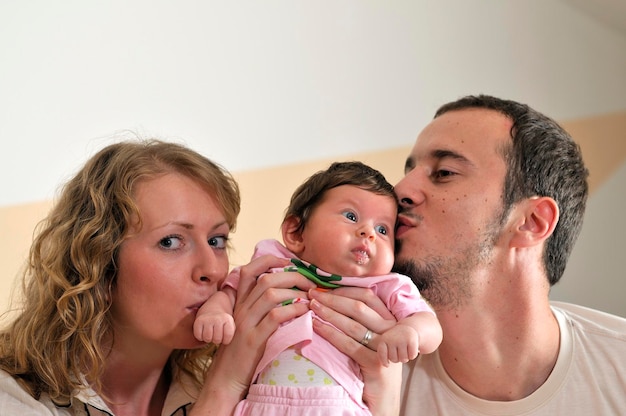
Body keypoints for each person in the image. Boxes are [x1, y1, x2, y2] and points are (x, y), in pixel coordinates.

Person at [0, 139, 403, 416]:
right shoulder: (14, 397)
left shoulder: (256, 385)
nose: (213, 268)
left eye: (216, 239)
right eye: (172, 241)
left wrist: (381, 394)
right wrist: (224, 384)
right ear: (97, 262)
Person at [306, 95, 626, 414]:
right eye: (410, 170)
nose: (401, 189)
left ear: (531, 221)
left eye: (444, 173)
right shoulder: (342, 363)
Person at [194, 161, 442, 415]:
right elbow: (230, 292)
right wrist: (215, 313)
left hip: (339, 406)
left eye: (382, 229)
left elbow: (429, 324)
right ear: (296, 233)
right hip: (263, 404)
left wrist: (411, 331)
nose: (368, 233)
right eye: (351, 216)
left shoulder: (386, 285)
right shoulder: (274, 263)